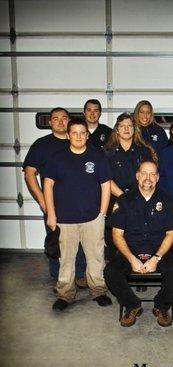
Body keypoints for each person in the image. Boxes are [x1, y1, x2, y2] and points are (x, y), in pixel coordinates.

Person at [43, 118, 112, 311]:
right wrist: (51, 214)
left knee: (96, 257)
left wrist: (102, 213)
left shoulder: (98, 156)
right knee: (65, 258)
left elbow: (105, 185)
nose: (79, 136)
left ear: (88, 135)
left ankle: (98, 290)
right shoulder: (57, 158)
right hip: (64, 219)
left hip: (92, 218)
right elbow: (48, 185)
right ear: (68, 135)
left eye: (83, 133)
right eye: (75, 133)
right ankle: (65, 293)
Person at [104, 160, 173, 327]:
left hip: (158, 251)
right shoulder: (124, 200)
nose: (148, 177)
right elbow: (117, 235)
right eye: (144, 173)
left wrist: (156, 258)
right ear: (137, 176)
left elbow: (171, 234)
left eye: (152, 174)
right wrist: (131, 259)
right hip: (130, 250)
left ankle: (161, 306)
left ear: (158, 177)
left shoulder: (168, 201)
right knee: (110, 271)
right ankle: (132, 304)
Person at [23, 107, 86, 285]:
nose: (60, 121)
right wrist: (42, 200)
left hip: (79, 205)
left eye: (64, 118)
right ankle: (59, 278)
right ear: (50, 123)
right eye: (56, 118)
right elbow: (29, 173)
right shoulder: (41, 145)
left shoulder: (78, 141)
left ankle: (79, 274)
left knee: (80, 241)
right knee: (56, 242)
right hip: (54, 204)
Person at [103, 113, 157, 258]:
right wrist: (124, 197)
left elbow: (149, 176)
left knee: (138, 238)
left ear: (134, 129)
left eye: (129, 126)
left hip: (140, 202)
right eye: (122, 126)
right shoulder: (108, 152)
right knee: (114, 241)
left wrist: (136, 198)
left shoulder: (144, 151)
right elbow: (105, 179)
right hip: (116, 201)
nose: (126, 129)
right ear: (117, 130)